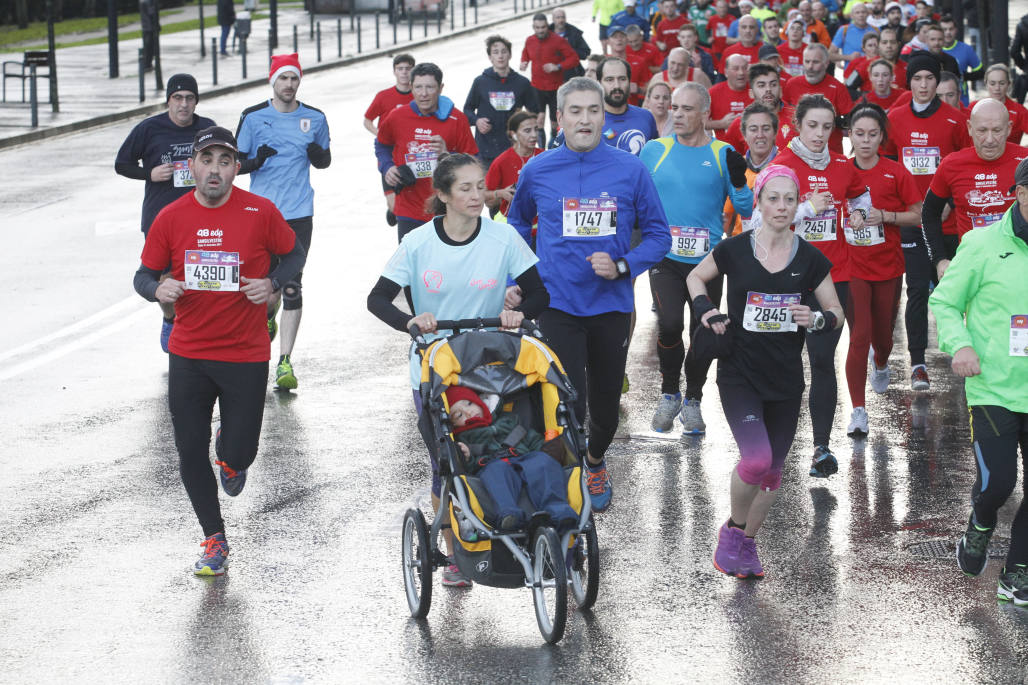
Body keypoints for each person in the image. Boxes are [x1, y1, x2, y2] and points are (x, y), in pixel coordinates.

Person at [366, 153, 548, 587]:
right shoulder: (418, 244)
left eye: (480, 186)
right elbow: (377, 299)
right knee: (446, 462)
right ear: (443, 195)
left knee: (501, 449)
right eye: (464, 188)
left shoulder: (502, 239)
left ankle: (517, 524)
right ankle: (452, 553)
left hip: (491, 369)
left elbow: (540, 295)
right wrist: (409, 322)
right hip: (435, 368)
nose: (476, 195)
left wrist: (518, 313)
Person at [133, 126, 307, 575]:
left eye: (224, 161)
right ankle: (215, 538)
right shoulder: (170, 217)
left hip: (246, 352)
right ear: (192, 165)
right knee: (189, 451)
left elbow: (294, 253)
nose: (214, 170)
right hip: (189, 352)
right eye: (206, 160)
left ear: (235, 168)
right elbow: (143, 275)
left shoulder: (260, 211)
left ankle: (230, 456)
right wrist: (159, 287)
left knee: (242, 454)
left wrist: (272, 282)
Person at [507, 77, 671, 512]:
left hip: (610, 306)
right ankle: (568, 474)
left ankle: (595, 460)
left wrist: (623, 266)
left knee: (604, 407)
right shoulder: (537, 169)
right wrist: (521, 276)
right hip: (556, 303)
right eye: (575, 111)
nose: (585, 119)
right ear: (559, 117)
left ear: (604, 116)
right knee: (567, 400)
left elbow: (658, 235)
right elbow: (516, 226)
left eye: (593, 111)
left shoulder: (630, 170)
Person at [686, 164, 843, 579]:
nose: (781, 206)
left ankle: (747, 545)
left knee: (773, 472)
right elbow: (695, 277)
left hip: (786, 379)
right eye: (773, 198)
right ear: (759, 202)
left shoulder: (810, 259)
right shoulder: (735, 249)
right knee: (756, 461)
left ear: (798, 206)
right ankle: (733, 532)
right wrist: (706, 310)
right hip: (740, 372)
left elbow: (836, 313)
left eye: (790, 199)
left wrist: (818, 319)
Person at [928, 157, 1028, 608]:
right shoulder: (982, 243)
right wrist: (961, 346)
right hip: (994, 387)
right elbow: (946, 302)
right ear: (1021, 193)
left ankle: (1017, 572)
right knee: (998, 484)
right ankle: (981, 522)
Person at [641, 83, 754, 434]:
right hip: (666, 257)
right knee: (671, 324)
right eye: (674, 107)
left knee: (702, 333)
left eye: (686, 109)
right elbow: (634, 196)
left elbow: (747, 208)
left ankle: (693, 401)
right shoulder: (654, 150)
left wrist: (738, 179)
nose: (677, 114)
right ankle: (669, 393)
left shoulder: (723, 153)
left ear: (705, 113)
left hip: (707, 263)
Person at [775, 94, 872, 476]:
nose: (819, 134)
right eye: (812, 125)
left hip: (835, 278)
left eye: (827, 127)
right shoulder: (784, 166)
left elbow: (860, 192)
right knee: (782, 363)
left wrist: (861, 212)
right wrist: (806, 209)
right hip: (788, 279)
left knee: (821, 361)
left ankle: (821, 448)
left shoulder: (843, 167)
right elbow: (766, 217)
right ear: (798, 124)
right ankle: (775, 443)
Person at [236, 53, 331, 392]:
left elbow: (325, 159)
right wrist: (254, 161)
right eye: (283, 79)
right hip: (261, 213)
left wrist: (318, 157)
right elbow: (235, 163)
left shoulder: (315, 118)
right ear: (272, 81)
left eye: (294, 79)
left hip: (299, 213)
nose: (289, 85)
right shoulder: (253, 117)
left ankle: (285, 362)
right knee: (265, 289)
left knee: (291, 285)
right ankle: (266, 317)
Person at [883, 54, 970, 392]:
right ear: (910, 82)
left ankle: (965, 348)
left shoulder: (954, 120)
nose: (923, 85)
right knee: (917, 289)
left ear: (937, 82)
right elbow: (888, 165)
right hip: (912, 219)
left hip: (948, 223)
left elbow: (964, 162)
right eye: (917, 78)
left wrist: (948, 202)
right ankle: (917, 362)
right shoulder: (896, 118)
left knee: (958, 291)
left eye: (929, 79)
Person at [116, 74, 216, 353]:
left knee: (201, 273)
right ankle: (170, 317)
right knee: (166, 278)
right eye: (178, 98)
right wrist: (149, 173)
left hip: (202, 215)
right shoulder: (149, 129)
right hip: (161, 216)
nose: (184, 104)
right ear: (169, 100)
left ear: (196, 101)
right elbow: (121, 164)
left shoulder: (207, 128)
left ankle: (200, 331)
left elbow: (226, 161)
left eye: (189, 98)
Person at [844, 104, 922, 434]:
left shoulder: (895, 171)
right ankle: (858, 411)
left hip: (888, 265)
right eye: (859, 134)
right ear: (849, 136)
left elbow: (917, 215)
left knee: (883, 339)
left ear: (882, 137)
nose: (865, 141)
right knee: (859, 334)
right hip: (851, 266)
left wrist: (886, 216)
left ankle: (882, 361)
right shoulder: (841, 171)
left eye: (872, 134)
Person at [446, 386, 578, 531]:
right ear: (453, 425)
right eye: (459, 415)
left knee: (543, 463)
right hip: (491, 464)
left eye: (469, 404)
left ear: (479, 401)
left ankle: (559, 511)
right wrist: (467, 457)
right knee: (495, 473)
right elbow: (469, 469)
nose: (468, 412)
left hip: (524, 457)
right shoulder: (464, 439)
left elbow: (530, 438)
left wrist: (546, 449)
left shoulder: (508, 419)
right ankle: (509, 514)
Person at [922, 99, 1028, 278]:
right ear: (970, 128)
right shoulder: (951, 165)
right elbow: (929, 212)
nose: (990, 139)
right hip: (973, 269)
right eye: (982, 130)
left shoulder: (1024, 161)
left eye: (997, 130)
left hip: (1019, 270)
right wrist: (940, 259)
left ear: (1009, 128)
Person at [376, 62, 478, 242]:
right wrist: (387, 167)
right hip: (409, 208)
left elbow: (474, 164)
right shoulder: (397, 116)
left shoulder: (456, 119)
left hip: (447, 209)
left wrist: (448, 155)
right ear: (410, 88)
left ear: (440, 88)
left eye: (430, 87)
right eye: (418, 87)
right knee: (411, 266)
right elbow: (382, 144)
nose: (423, 94)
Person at [464, 35, 539, 169]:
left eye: (504, 52)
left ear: (510, 55)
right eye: (495, 52)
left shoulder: (522, 83)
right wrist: (477, 121)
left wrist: (526, 127)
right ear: (490, 57)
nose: (500, 56)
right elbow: (467, 110)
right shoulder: (480, 82)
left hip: (514, 147)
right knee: (488, 187)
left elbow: (534, 111)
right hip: (487, 148)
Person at [363, 53, 415, 228]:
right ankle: (393, 210)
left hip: (411, 156)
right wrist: (380, 134)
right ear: (394, 72)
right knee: (394, 205)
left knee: (412, 203)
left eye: (408, 69)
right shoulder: (383, 96)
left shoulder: (419, 96)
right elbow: (367, 120)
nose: (404, 73)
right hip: (388, 157)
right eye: (400, 69)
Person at [520, 14, 581, 147]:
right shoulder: (529, 40)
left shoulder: (558, 40)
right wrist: (524, 62)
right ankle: (541, 150)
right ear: (533, 27)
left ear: (547, 26)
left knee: (555, 122)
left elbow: (574, 59)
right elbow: (526, 53)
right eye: (537, 28)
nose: (540, 30)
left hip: (555, 88)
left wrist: (557, 66)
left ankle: (553, 146)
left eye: (543, 27)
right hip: (536, 87)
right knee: (538, 121)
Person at [723, 103, 782, 236]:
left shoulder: (787, 167)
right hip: (741, 247)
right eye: (753, 129)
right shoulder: (735, 168)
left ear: (775, 132)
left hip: (778, 248)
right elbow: (726, 217)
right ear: (744, 134)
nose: (760, 135)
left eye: (766, 129)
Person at [783, 43, 853, 153]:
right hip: (797, 152)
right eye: (807, 61)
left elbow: (850, 121)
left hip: (830, 153)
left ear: (826, 64)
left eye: (815, 62)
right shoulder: (791, 84)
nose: (810, 66)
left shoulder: (838, 88)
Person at [723, 63, 797, 156]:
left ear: (781, 90)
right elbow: (731, 163)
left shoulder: (798, 118)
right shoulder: (739, 124)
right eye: (761, 85)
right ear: (751, 93)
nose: (768, 89)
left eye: (773, 84)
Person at [485, 110, 542, 217]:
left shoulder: (545, 157)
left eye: (536, 129)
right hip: (512, 226)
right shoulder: (501, 161)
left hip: (542, 225)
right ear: (513, 134)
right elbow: (485, 198)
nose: (534, 135)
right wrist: (500, 193)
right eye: (527, 130)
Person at [973, 65, 1028, 146]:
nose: (997, 88)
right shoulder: (974, 107)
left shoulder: (1019, 111)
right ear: (986, 84)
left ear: (1009, 84)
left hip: (1010, 157)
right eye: (992, 83)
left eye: (1002, 83)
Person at [709, 54, 755, 139]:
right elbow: (698, 122)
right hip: (724, 148)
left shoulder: (756, 91)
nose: (741, 72)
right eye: (736, 69)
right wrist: (721, 124)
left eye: (744, 68)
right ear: (726, 72)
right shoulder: (713, 92)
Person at [939, 14, 981, 105]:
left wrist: (963, 77)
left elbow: (980, 72)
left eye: (951, 29)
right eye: (944, 29)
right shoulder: (933, 50)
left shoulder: (966, 49)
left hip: (961, 101)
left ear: (956, 30)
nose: (948, 32)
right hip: (938, 101)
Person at [830, 2, 877, 68]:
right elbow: (830, 55)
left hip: (872, 72)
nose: (861, 15)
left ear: (867, 14)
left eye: (863, 12)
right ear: (852, 16)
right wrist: (848, 57)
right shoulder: (844, 30)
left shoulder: (876, 30)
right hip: (851, 74)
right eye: (857, 13)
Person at [624, 24, 663, 104]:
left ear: (641, 37)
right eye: (630, 42)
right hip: (629, 94)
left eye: (636, 41)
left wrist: (643, 67)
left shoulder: (652, 49)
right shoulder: (624, 50)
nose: (633, 44)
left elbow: (662, 69)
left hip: (645, 92)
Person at [552, 9, 592, 80]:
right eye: (558, 17)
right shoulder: (545, 33)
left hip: (572, 75)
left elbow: (586, 53)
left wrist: (570, 50)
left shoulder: (574, 33)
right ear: (553, 19)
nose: (561, 20)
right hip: (552, 76)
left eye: (563, 17)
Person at [139, 0, 158, 71]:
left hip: (145, 27)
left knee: (147, 47)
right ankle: (147, 65)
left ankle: (147, 64)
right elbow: (151, 13)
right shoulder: (148, 2)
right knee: (150, 47)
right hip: (150, 27)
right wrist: (156, 24)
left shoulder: (142, 1)